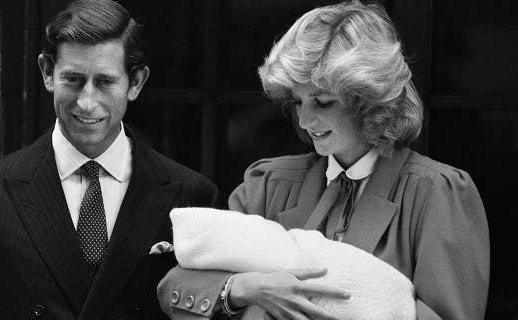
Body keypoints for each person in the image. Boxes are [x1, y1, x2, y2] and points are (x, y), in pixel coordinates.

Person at [157, 1, 490, 320]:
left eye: (324, 102)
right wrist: (245, 288)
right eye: (298, 101)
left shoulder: (436, 193)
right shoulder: (267, 183)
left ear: (369, 98)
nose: (304, 120)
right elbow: (174, 287)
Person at [0, 0, 217, 319]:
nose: (86, 102)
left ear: (135, 82)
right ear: (47, 72)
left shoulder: (193, 195)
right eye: (73, 79)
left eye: (105, 82)